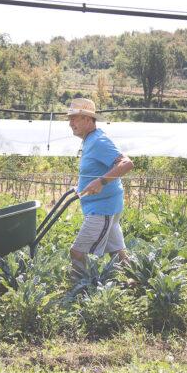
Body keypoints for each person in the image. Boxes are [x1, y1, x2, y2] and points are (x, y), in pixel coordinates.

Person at [66, 97, 134, 279]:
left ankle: (80, 291)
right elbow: (95, 169)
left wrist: (101, 182)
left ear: (88, 120)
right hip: (105, 205)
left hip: (102, 209)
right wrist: (82, 185)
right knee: (118, 255)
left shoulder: (98, 141)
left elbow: (126, 164)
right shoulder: (90, 140)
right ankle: (132, 284)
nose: (70, 123)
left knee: (77, 252)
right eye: (69, 119)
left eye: (75, 118)